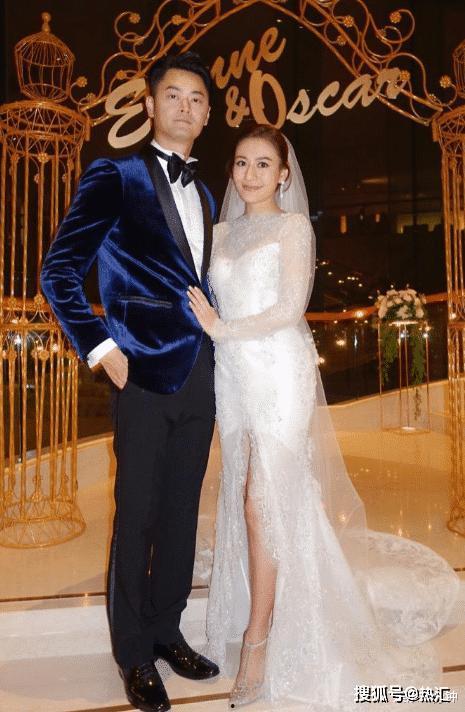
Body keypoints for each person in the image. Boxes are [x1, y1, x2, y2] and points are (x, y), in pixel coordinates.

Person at [187, 122, 460, 711]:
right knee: (248, 494)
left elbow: (289, 309)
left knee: (262, 500)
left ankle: (258, 639)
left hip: (277, 371)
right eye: (241, 163)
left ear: (284, 174)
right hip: (232, 377)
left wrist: (220, 327)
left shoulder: (292, 228)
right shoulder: (220, 233)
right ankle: (277, 609)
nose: (250, 174)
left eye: (264, 164)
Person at [41, 52, 220, 712]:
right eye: (172, 96)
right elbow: (59, 271)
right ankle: (133, 654)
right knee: (138, 512)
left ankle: (167, 629)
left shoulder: (205, 194)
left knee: (180, 512)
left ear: (207, 113)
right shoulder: (114, 174)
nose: (184, 107)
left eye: (196, 99)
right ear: (149, 106)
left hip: (200, 373)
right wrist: (99, 347)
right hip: (138, 370)